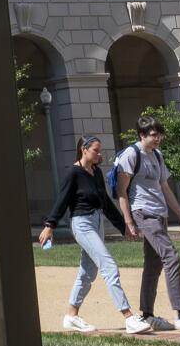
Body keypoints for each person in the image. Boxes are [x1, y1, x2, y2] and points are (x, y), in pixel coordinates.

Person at [37, 135, 151, 334]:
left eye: (100, 151)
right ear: (84, 149)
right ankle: (129, 317)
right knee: (109, 266)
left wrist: (123, 226)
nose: (100, 154)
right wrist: (50, 225)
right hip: (82, 224)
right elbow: (62, 200)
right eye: (96, 151)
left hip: (97, 223)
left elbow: (105, 203)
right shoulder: (73, 173)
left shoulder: (96, 173)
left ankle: (71, 315)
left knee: (87, 272)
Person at [115, 114, 180, 332]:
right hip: (143, 213)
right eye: (153, 135)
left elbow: (164, 187)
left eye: (160, 135)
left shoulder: (157, 155)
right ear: (142, 135)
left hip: (160, 214)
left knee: (153, 265)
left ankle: (147, 315)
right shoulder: (131, 154)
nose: (158, 139)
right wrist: (129, 221)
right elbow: (122, 191)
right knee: (171, 257)